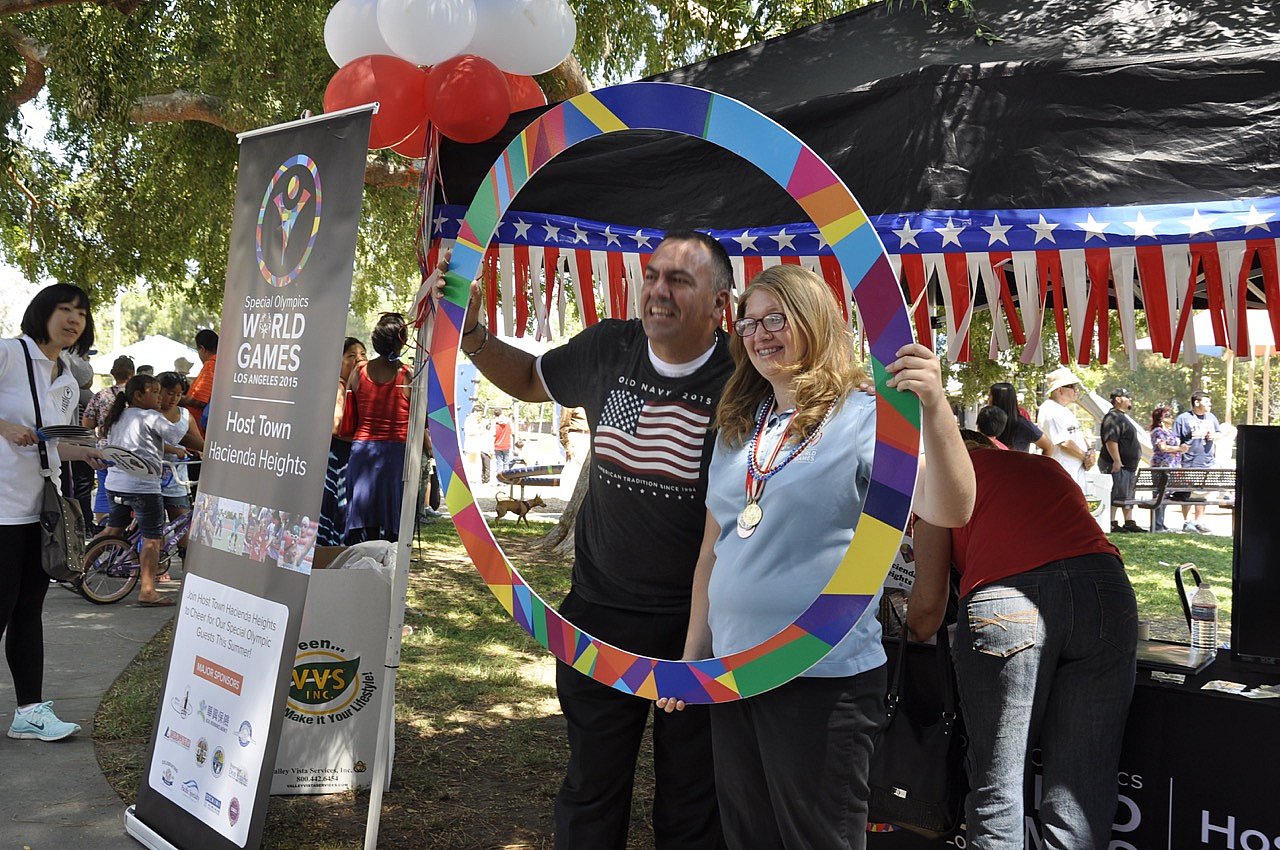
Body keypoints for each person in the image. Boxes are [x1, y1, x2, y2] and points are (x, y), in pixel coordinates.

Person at [657, 266, 974, 850]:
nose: (760, 334)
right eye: (749, 323)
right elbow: (712, 553)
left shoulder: (866, 414)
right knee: (749, 839)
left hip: (822, 676)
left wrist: (935, 408)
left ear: (815, 321)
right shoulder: (737, 426)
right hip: (736, 673)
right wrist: (692, 656)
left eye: (776, 318)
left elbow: (951, 508)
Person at [440, 230, 737, 849]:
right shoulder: (610, 348)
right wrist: (471, 336)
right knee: (592, 794)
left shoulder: (745, 375)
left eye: (680, 280)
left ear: (719, 304)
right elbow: (529, 379)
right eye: (652, 276)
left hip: (703, 626)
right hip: (599, 618)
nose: (658, 291)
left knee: (693, 805)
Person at [908, 430, 1136, 850]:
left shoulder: (936, 478)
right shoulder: (1044, 465)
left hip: (1008, 600)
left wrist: (893, 624)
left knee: (998, 784)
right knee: (1083, 782)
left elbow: (926, 612)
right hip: (1106, 591)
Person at [1, 283, 106, 741]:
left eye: (81, 313)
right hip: (2, 509)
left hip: (42, 513)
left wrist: (88, 453)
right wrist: (5, 427)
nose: (73, 320)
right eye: (65, 309)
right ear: (42, 313)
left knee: (28, 609)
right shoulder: (8, 354)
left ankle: (30, 712)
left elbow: (54, 444)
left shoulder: (66, 379)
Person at [100, 374, 188, 605]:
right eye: (155, 392)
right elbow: (176, 434)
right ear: (139, 395)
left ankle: (80, 567)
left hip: (115, 484)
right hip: (143, 486)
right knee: (152, 538)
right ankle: (148, 591)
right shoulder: (151, 416)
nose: (160, 397)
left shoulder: (119, 415)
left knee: (113, 530)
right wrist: (177, 415)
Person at [343, 315, 411, 544]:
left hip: (362, 453)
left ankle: (360, 563)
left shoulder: (359, 371)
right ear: (402, 341)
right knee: (394, 525)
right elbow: (423, 421)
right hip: (395, 457)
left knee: (362, 526)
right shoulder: (408, 375)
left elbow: (350, 407)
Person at [319, 337, 365, 546]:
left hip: (349, 457)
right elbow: (335, 426)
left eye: (362, 354)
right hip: (338, 458)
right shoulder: (339, 386)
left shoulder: (357, 387)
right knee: (337, 507)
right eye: (351, 356)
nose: (359, 360)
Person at [83, 354, 135, 524]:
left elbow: (87, 424)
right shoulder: (138, 397)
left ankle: (104, 527)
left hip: (104, 450)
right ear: (133, 373)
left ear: (113, 373)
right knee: (130, 490)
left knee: (104, 489)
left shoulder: (101, 395)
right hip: (130, 451)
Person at [157, 371, 204, 555]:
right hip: (151, 481)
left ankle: (185, 562)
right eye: (170, 393)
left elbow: (199, 444)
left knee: (182, 528)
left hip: (178, 482)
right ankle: (157, 566)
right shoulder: (149, 414)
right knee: (156, 530)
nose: (174, 399)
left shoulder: (185, 415)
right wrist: (173, 449)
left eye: (179, 394)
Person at [1036, 366, 1096, 485]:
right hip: (1062, 474)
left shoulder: (1064, 410)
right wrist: (1085, 457)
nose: (1076, 390)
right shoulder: (1050, 410)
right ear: (1059, 390)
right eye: (1072, 386)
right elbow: (1064, 443)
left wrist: (1090, 452)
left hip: (1074, 473)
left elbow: (1077, 434)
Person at [1100, 387, 1146, 533]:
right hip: (1117, 464)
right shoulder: (1112, 417)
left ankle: (1129, 521)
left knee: (1127, 494)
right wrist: (1117, 460)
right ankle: (1111, 522)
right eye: (1127, 397)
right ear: (1118, 399)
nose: (1130, 399)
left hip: (1129, 466)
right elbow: (1111, 440)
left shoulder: (1122, 417)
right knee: (1116, 493)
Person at [1174, 390, 1220, 534]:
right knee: (1187, 493)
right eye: (1206, 401)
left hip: (1207, 461)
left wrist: (1214, 436)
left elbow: (1218, 433)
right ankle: (1187, 522)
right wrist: (1181, 446)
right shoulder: (1183, 418)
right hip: (1189, 461)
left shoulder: (1211, 417)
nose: (1209, 404)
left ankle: (1199, 521)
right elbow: (1175, 438)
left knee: (1202, 493)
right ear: (1197, 402)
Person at [1149, 404, 1186, 533]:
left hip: (1172, 465)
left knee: (1166, 494)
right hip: (1161, 465)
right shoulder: (1158, 431)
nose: (1171, 417)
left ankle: (1161, 522)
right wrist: (1180, 449)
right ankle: (1157, 524)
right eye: (1168, 415)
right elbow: (1163, 447)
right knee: (1159, 493)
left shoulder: (1170, 432)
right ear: (1160, 418)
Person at [989, 381, 1054, 453]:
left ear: (998, 399)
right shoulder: (988, 421)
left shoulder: (1023, 425)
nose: (988, 400)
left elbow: (1048, 447)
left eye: (990, 396)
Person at [180, 328, 218, 436]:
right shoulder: (222, 363)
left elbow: (199, 401)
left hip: (199, 431)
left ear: (202, 349)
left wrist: (175, 398)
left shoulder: (211, 365)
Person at [492, 408, 514, 473]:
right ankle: (506, 477)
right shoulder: (508, 421)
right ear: (501, 413)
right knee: (506, 462)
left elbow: (493, 433)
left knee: (499, 462)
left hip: (497, 445)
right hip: (506, 444)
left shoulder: (494, 422)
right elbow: (512, 432)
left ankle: (499, 477)